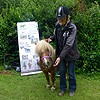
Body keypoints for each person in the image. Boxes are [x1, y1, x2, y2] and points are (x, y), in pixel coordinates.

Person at [47, 6, 80, 96]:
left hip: (71, 54)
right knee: (61, 72)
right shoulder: (57, 25)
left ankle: (72, 89)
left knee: (71, 73)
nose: (60, 20)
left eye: (62, 18)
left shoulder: (72, 28)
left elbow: (69, 44)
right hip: (60, 55)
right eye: (58, 18)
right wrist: (50, 39)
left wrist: (60, 57)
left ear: (67, 17)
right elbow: (56, 36)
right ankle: (62, 88)